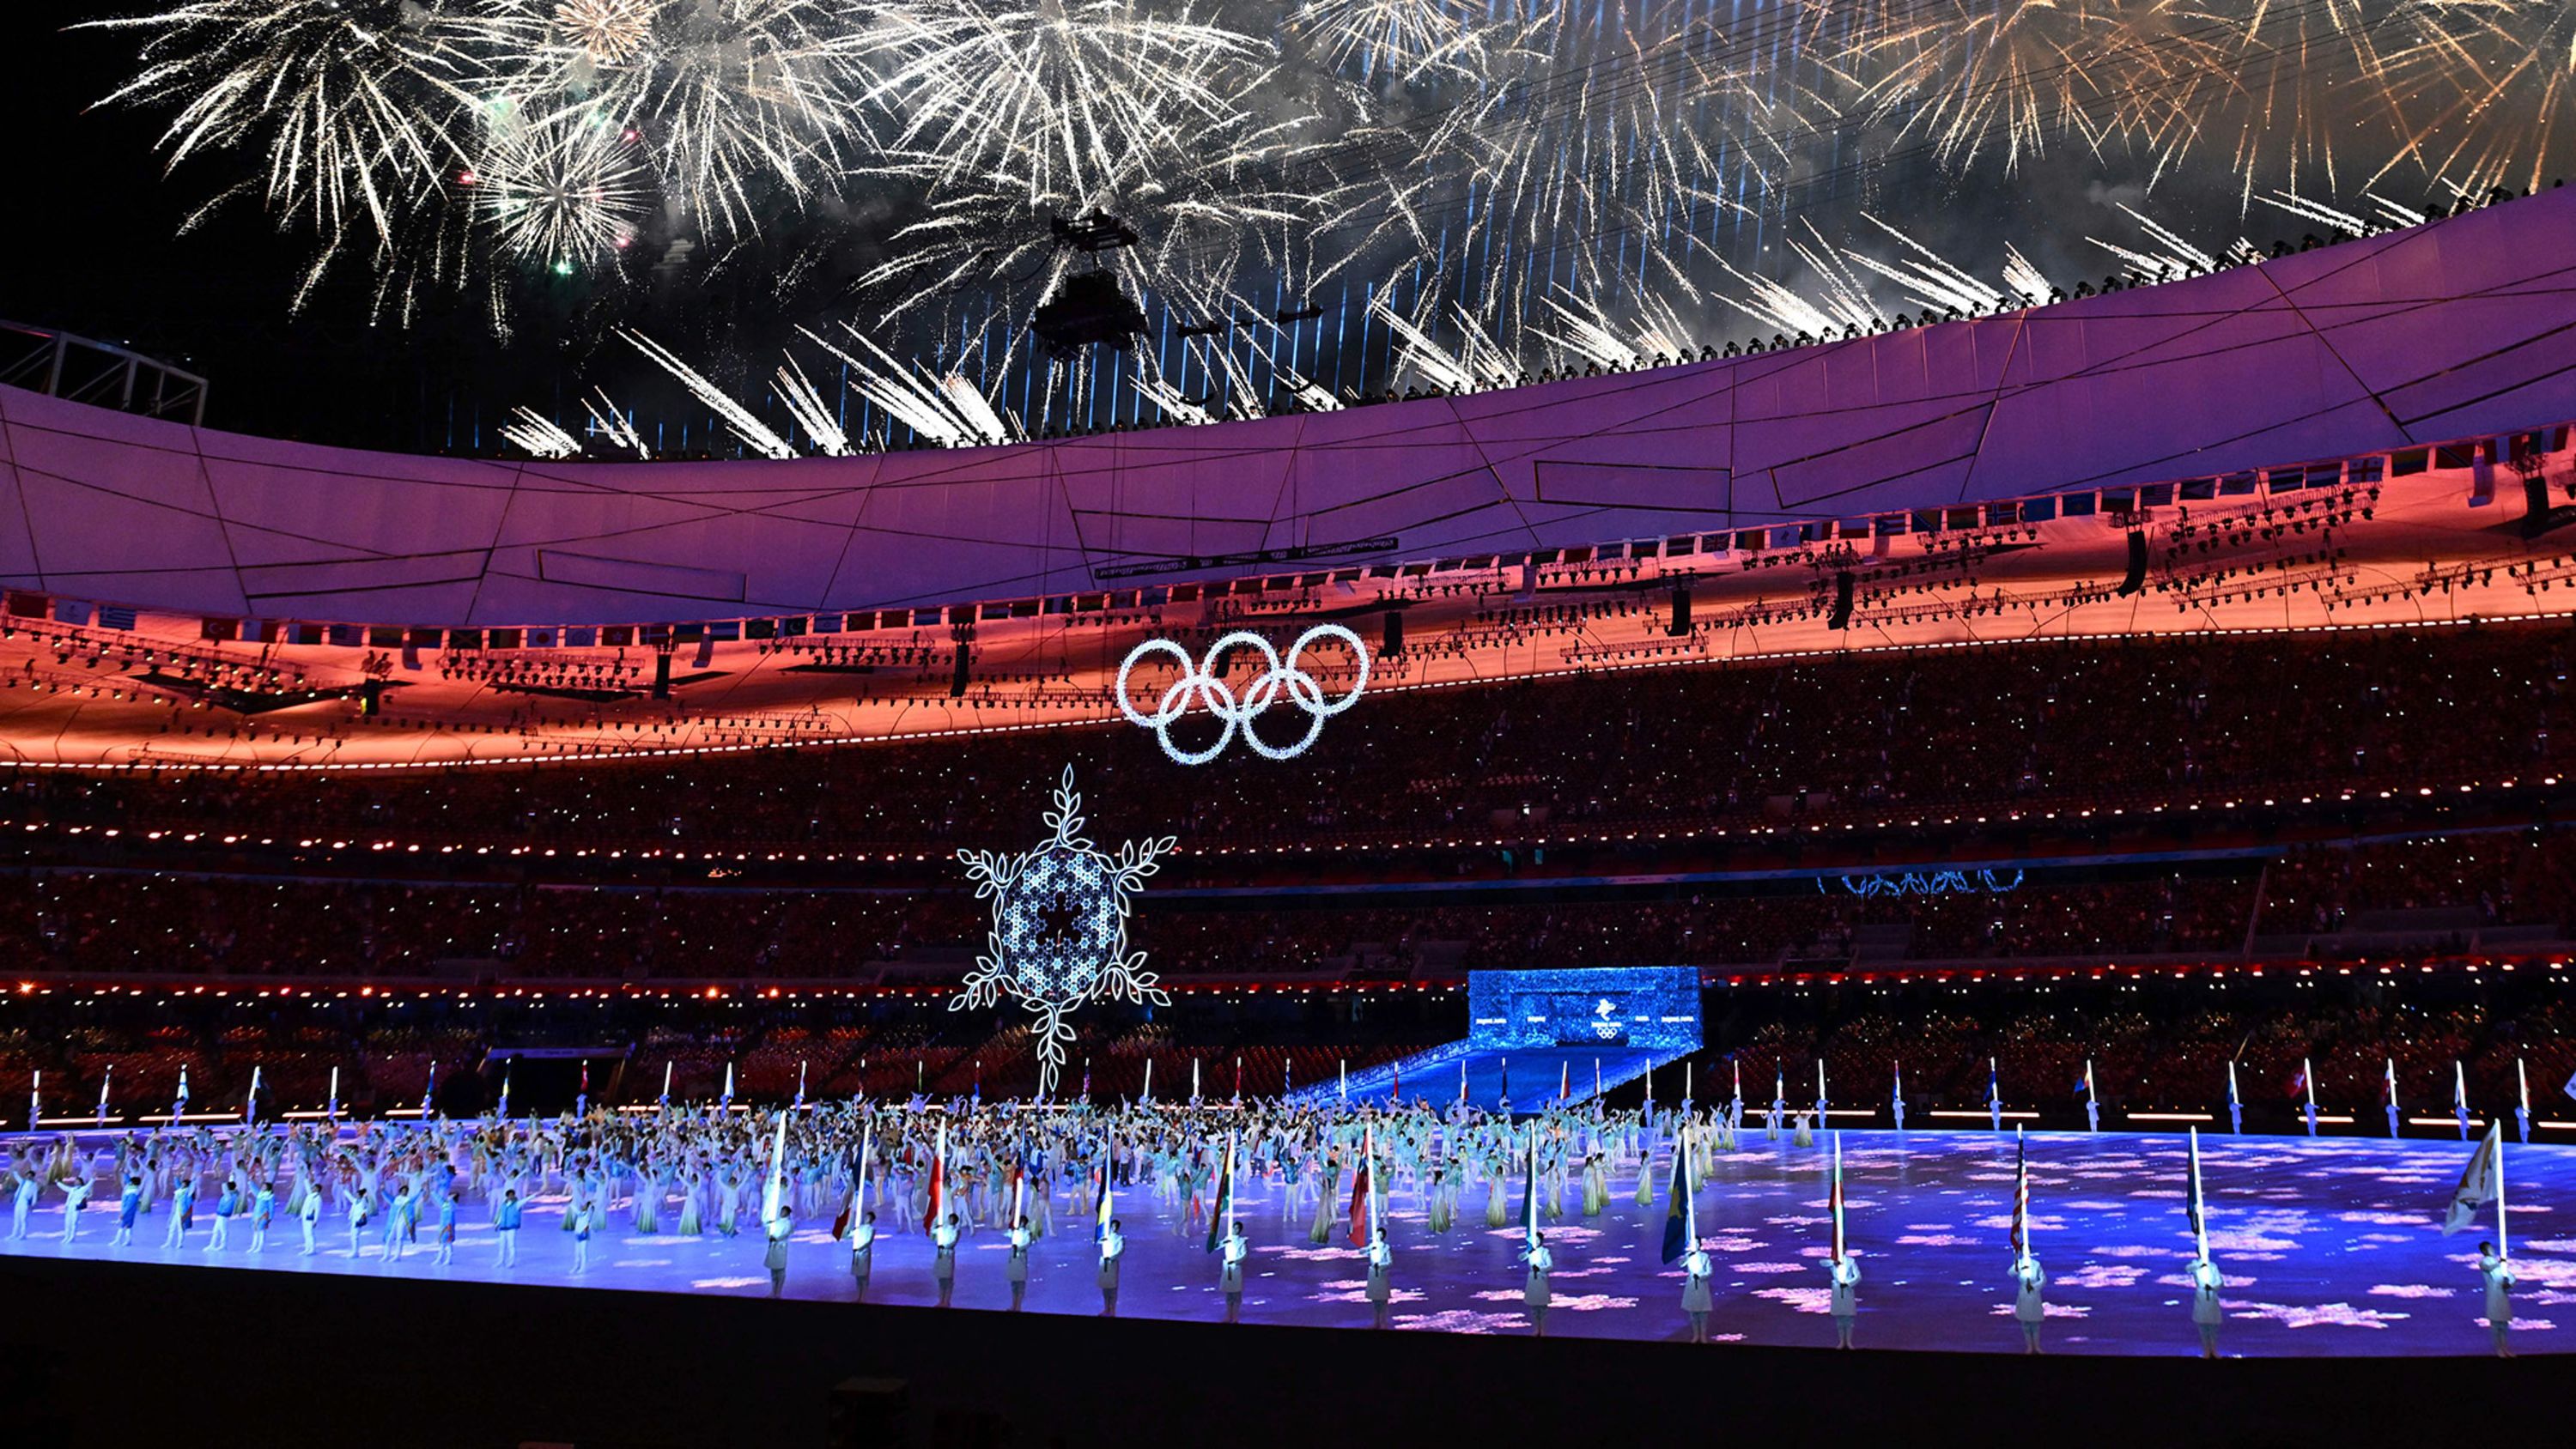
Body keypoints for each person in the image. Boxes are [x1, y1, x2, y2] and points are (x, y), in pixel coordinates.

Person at [2478, 1240, 2516, 1358]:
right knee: (2496, 1324)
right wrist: (2499, 1263)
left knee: (2504, 1324)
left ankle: (2505, 1348)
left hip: (2502, 1295)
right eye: (2489, 1248)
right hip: (2493, 1295)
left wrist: (2510, 1284)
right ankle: (2499, 1349)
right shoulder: (2484, 1262)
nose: (2492, 1249)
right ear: (2484, 1251)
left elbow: (2510, 1276)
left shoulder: (2499, 1265)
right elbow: (2488, 1267)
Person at [2189, 1252, 2224, 1358]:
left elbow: (2220, 1281)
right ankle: (2206, 1350)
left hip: (2212, 1297)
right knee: (2202, 1325)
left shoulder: (2213, 1266)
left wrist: (2212, 1287)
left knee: (2213, 1326)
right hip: (2201, 1298)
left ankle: (2214, 1349)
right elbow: (2188, 1269)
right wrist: (2200, 1265)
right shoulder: (2195, 1264)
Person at [2012, 1252, 2047, 1354]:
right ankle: (2029, 1347)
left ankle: (2037, 1346)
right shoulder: (2019, 1263)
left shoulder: (2036, 1264)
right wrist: (2018, 1266)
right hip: (2024, 1295)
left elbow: (2043, 1279)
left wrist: (2034, 1287)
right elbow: (2011, 1273)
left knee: (2035, 1324)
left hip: (2034, 1295)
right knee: (2025, 1323)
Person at [1681, 1243, 1714, 1343]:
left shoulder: (1705, 1256)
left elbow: (1710, 1272)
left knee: (1703, 1311)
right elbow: (1681, 1265)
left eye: (1696, 1243)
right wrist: (1686, 1257)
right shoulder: (1689, 1256)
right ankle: (1696, 1334)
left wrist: (1700, 1276)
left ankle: (1703, 1335)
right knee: (1693, 1311)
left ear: (1699, 1245)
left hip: (1701, 1286)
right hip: (1691, 1285)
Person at [1219, 1218, 1250, 1323]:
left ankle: (1236, 1316)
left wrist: (1236, 1261)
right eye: (1234, 1227)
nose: (1235, 1229)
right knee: (1229, 1294)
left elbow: (1244, 1255)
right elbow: (1218, 1246)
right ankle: (1228, 1316)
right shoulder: (1227, 1238)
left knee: (1236, 1293)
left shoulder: (1242, 1241)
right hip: (1227, 1268)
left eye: (1237, 1228)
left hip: (1236, 1269)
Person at [1524, 1231, 1553, 1337]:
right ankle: (1536, 1328)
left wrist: (1540, 1269)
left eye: (1537, 1240)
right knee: (1533, 1306)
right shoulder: (1530, 1252)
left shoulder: (1545, 1252)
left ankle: (1543, 1328)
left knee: (1542, 1306)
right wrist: (1528, 1252)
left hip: (1541, 1279)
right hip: (1533, 1279)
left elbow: (1550, 1266)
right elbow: (1521, 1257)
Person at [1364, 1225, 1394, 1330]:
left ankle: (1383, 1322)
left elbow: (1390, 1262)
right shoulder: (1372, 1246)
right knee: (1375, 1300)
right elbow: (1361, 1252)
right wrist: (1368, 1249)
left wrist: (1381, 1266)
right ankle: (1376, 1322)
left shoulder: (1386, 1248)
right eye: (1377, 1234)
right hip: (1373, 1275)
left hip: (1381, 1275)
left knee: (1383, 1300)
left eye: (1381, 1234)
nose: (1379, 1236)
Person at [1829, 1254, 1861, 1349]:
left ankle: (1849, 1341)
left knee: (1848, 1318)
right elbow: (1823, 1263)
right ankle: (1842, 1341)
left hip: (1847, 1291)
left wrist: (1848, 1283)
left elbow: (1858, 1277)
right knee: (1839, 1317)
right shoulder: (1832, 1262)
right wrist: (1833, 1263)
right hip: (1838, 1290)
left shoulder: (1851, 1261)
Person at [1097, 1216, 1125, 1317]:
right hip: (1104, 1264)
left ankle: (1113, 1310)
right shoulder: (1106, 1237)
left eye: (1115, 1226)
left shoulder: (1119, 1238)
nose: (1113, 1228)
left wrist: (1112, 1258)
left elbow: (1120, 1250)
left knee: (1113, 1288)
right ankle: (1106, 1308)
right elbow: (1097, 1241)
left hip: (1112, 1264)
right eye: (1112, 1226)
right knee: (1105, 1288)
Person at [933, 1212, 961, 1307]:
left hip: (948, 1254)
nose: (951, 1221)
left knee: (948, 1279)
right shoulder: (943, 1228)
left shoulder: (956, 1231)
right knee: (941, 1279)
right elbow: (933, 1232)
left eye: (953, 1219)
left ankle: (946, 1301)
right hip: (941, 1254)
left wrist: (945, 1246)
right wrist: (936, 1224)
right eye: (950, 1219)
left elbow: (953, 1241)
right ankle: (941, 1301)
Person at [1005, 1215, 1032, 1311]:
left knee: (1020, 1284)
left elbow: (1028, 1244)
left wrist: (1019, 1249)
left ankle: (1018, 1306)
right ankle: (1013, 1305)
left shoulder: (1027, 1234)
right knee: (1014, 1284)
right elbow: (1006, 1232)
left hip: (1021, 1259)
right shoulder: (1014, 1232)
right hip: (1013, 1259)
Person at [764, 1207, 792, 1297]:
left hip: (781, 1247)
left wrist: (776, 1238)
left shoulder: (788, 1223)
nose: (782, 1213)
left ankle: (778, 1292)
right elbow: (769, 1232)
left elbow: (786, 1234)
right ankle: (773, 1291)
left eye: (784, 1212)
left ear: (787, 1213)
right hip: (773, 1248)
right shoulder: (777, 1221)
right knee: (773, 1270)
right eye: (782, 1211)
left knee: (780, 1271)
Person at [849, 1210, 876, 1300]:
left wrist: (860, 1248)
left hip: (864, 1254)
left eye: (869, 1217)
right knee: (858, 1277)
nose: (866, 1219)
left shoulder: (871, 1229)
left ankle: (863, 1298)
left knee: (864, 1277)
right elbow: (849, 1235)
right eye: (866, 1217)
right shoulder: (859, 1228)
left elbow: (869, 1241)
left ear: (872, 1220)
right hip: (857, 1255)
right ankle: (858, 1297)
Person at [205, 1177, 238, 1252]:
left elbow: (224, 1186)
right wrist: (232, 1176)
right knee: (215, 1230)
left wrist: (220, 1177)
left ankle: (223, 1245)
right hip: (220, 1215)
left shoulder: (230, 1196)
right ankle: (212, 1245)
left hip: (224, 1216)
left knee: (223, 1231)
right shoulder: (229, 1195)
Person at [112, 1174, 142, 1248]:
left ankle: (126, 1241)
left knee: (127, 1226)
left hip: (129, 1211)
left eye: (131, 1182)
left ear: (133, 1183)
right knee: (123, 1225)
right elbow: (128, 1180)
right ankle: (118, 1240)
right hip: (125, 1209)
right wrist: (125, 1173)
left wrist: (123, 1213)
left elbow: (129, 1205)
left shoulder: (133, 1192)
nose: (129, 1182)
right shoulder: (130, 1188)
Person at [495, 1188, 522, 1266]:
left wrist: (534, 1195)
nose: (510, 1197)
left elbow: (525, 1200)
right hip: (503, 1227)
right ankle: (500, 1261)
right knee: (502, 1245)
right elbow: (502, 1216)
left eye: (512, 1195)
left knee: (511, 1245)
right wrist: (498, 1224)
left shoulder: (517, 1204)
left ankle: (511, 1262)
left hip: (511, 1227)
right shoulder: (503, 1205)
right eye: (509, 1195)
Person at [432, 1191, 458, 1266]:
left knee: (448, 1243)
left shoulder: (453, 1206)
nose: (449, 1197)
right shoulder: (444, 1204)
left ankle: (448, 1259)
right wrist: (432, 1191)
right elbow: (438, 1198)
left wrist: (451, 1200)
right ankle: (440, 1258)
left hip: (449, 1226)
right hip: (442, 1226)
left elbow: (451, 1204)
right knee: (442, 1242)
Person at [299, 1179, 323, 1256]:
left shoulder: (317, 1198)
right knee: (306, 1233)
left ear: (318, 1189)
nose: (312, 1188)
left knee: (310, 1233)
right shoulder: (310, 1196)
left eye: (314, 1188)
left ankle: (312, 1249)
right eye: (313, 1187)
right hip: (305, 1217)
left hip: (311, 1218)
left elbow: (317, 1210)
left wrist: (315, 1221)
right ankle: (307, 1248)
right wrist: (305, 1179)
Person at [571, 1196, 594, 1275]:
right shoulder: (581, 1214)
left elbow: (577, 1211)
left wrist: (572, 1204)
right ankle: (576, 1266)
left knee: (583, 1252)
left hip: (584, 1235)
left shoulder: (586, 1215)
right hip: (578, 1234)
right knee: (577, 1252)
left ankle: (582, 1267)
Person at [250, 1181, 275, 1252]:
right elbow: (254, 1190)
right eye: (262, 1186)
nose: (263, 1188)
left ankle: (260, 1247)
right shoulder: (260, 1194)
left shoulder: (270, 1197)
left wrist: (270, 1218)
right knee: (255, 1231)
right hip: (256, 1216)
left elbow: (271, 1207)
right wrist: (251, 1182)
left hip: (264, 1216)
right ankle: (253, 1246)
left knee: (261, 1231)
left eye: (265, 1187)